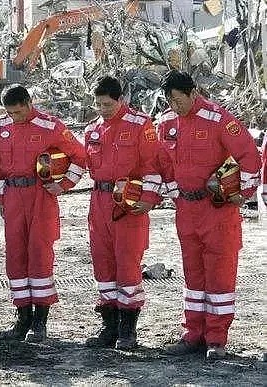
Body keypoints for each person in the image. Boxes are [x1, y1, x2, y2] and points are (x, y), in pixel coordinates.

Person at [157, 70, 261, 360]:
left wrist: (244, 192)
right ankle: (193, 334)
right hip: (186, 210)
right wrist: (173, 192)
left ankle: (216, 338)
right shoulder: (166, 123)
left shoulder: (219, 119)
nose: (175, 106)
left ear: (193, 93)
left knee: (219, 273)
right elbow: (164, 162)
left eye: (179, 100)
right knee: (193, 272)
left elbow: (250, 156)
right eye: (170, 101)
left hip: (216, 209)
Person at [0, 84, 86, 342]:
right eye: (10, 113)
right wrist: (0, 199)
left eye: (19, 112)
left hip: (40, 196)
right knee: (16, 257)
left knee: (40, 255)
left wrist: (64, 185)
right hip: (12, 197)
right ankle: (22, 319)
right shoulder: (0, 128)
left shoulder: (50, 126)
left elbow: (80, 156)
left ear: (30, 103)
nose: (15, 117)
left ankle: (40, 322)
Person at [83, 76, 164, 350]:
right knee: (102, 263)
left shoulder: (141, 125)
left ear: (120, 100)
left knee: (127, 264)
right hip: (99, 201)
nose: (102, 109)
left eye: (107, 104)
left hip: (129, 204)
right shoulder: (92, 130)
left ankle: (128, 331)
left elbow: (153, 164)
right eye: (98, 105)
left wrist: (149, 199)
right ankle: (109, 327)